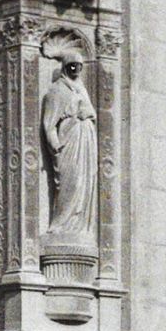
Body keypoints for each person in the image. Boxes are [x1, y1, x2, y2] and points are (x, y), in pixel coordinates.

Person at [41, 56, 97, 243]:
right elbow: (49, 124)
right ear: (65, 67)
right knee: (70, 183)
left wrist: (86, 116)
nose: (75, 69)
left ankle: (79, 227)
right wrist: (55, 145)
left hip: (85, 142)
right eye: (72, 66)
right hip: (68, 141)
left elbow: (91, 113)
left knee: (84, 182)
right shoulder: (56, 91)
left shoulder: (82, 90)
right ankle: (61, 225)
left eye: (79, 66)